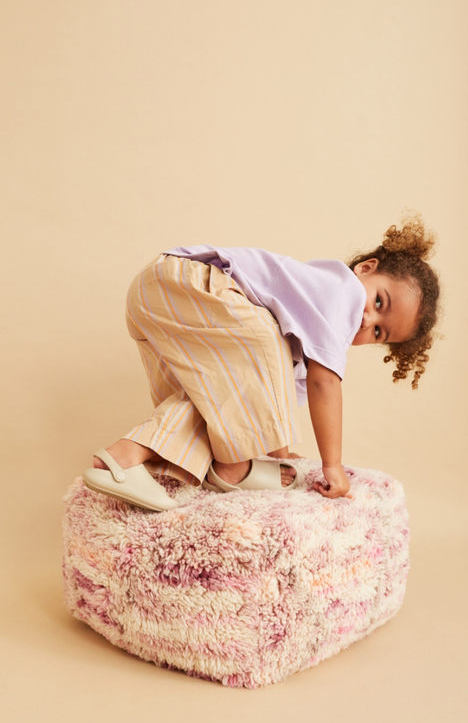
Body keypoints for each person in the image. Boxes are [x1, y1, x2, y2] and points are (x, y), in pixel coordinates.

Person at [82, 215, 441, 511]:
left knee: (215, 400)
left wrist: (277, 456)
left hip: (154, 299)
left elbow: (262, 398)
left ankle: (122, 460)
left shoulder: (304, 336)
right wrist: (332, 465)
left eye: (379, 333)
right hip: (187, 281)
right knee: (265, 343)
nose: (366, 321)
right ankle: (233, 468)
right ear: (365, 268)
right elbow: (324, 384)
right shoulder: (339, 290)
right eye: (379, 302)